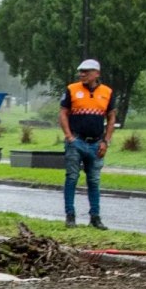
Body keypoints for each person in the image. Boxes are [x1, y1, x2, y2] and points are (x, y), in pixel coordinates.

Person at [60, 58, 115, 228]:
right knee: (72, 178)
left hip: (96, 143)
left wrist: (106, 141)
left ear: (96, 74)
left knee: (94, 180)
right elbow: (63, 113)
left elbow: (111, 116)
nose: (82, 74)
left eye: (87, 71)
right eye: (81, 72)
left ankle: (95, 217)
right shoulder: (72, 89)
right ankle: (70, 215)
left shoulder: (107, 92)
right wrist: (69, 137)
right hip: (76, 141)